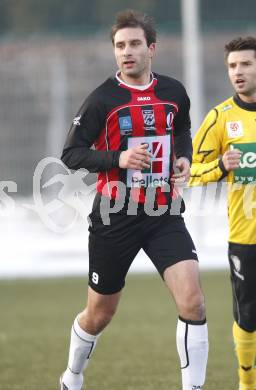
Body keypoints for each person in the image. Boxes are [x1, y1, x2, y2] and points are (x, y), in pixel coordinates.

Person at [60, 9, 208, 390]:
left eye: (134, 44)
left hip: (163, 210)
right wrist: (118, 158)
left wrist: (183, 157)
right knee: (100, 313)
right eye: (120, 45)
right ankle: (72, 376)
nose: (127, 51)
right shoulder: (102, 99)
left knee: (193, 300)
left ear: (151, 48)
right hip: (115, 214)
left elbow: (183, 129)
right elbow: (71, 154)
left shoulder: (173, 92)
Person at [190, 36, 256, 390]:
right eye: (233, 66)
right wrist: (219, 165)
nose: (238, 72)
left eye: (246, 64)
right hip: (246, 239)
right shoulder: (220, 118)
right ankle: (248, 382)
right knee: (248, 318)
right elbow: (187, 172)